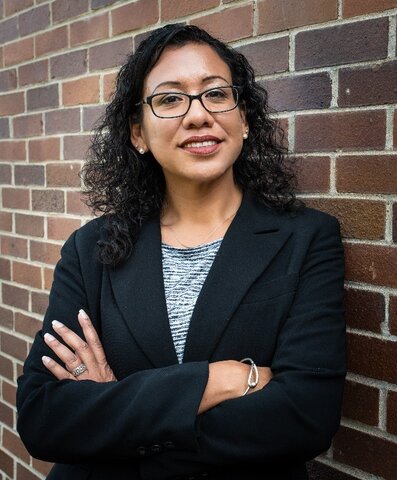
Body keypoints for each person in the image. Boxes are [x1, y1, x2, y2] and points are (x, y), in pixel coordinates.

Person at [16, 23, 346, 480]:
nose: (198, 115)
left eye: (216, 94)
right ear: (138, 133)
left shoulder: (307, 239)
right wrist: (219, 380)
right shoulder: (91, 249)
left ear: (244, 118)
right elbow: (42, 417)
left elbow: (306, 417)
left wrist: (118, 410)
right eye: (169, 99)